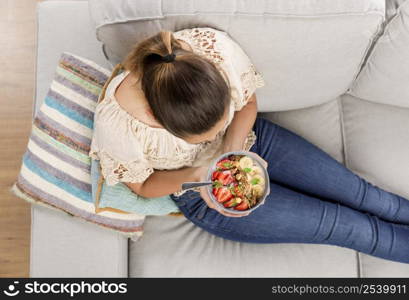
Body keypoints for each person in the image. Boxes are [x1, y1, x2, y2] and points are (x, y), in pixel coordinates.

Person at [89, 27, 409, 264]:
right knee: (352, 229)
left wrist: (235, 150)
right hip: (201, 191)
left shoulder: (211, 52)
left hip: (253, 141)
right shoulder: (119, 125)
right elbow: (143, 186)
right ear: (155, 118)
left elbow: (247, 104)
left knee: (366, 196)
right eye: (202, 135)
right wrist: (201, 174)